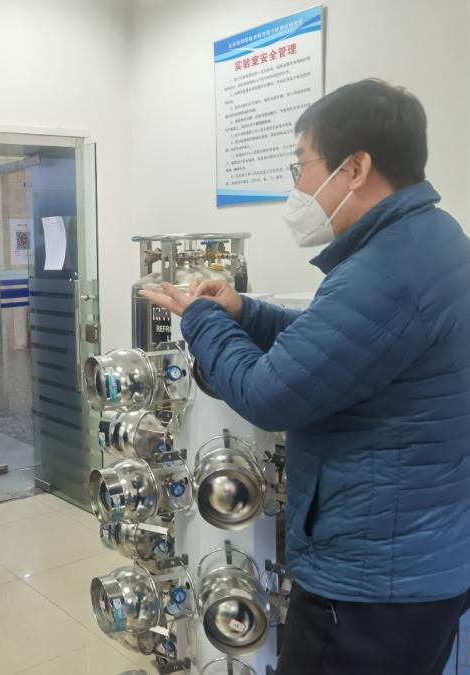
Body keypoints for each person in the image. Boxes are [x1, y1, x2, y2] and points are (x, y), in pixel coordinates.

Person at [141, 79, 470, 675]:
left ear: (355, 168)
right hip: (418, 558)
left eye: (302, 166)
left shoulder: (388, 269)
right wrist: (246, 312)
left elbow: (268, 394)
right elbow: (339, 343)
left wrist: (202, 321)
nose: (297, 187)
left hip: (371, 583)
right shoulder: (427, 239)